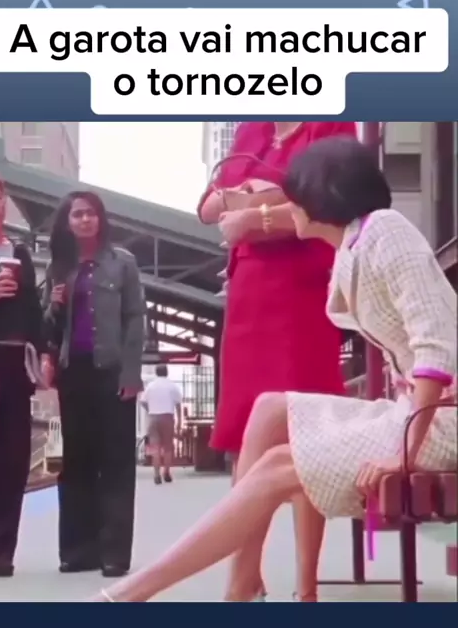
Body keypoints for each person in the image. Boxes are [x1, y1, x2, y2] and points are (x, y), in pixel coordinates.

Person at [93, 136, 456, 603]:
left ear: (325, 195)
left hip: (441, 423)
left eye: (295, 193)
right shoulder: (353, 248)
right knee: (268, 408)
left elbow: (436, 348)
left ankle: (129, 598)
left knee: (280, 465)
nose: (289, 203)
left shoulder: (387, 231)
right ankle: (241, 581)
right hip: (417, 411)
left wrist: (402, 454)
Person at [198, 120, 357, 601]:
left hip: (302, 291)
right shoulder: (251, 132)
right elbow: (208, 207)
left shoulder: (329, 125)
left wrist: (253, 214)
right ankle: (245, 574)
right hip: (249, 292)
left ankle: (306, 585)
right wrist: (251, 198)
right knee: (247, 433)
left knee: (304, 429)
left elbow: (333, 204)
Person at [42, 190, 145, 578]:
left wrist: (131, 374)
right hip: (73, 375)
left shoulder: (123, 263)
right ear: (67, 222)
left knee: (116, 463)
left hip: (112, 372)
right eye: (77, 215)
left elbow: (135, 319)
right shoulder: (59, 268)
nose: (84, 220)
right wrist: (54, 304)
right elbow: (47, 330)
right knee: (74, 463)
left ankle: (114, 554)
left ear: (100, 219)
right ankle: (77, 551)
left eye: (91, 213)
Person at [0, 170, 45, 577]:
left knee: (11, 461)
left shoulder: (20, 254)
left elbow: (33, 311)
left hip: (15, 368)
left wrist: (43, 356)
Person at [140, 364, 182, 485]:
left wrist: (150, 409)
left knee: (155, 447)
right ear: (167, 372)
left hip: (153, 417)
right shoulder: (172, 386)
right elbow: (178, 404)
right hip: (167, 417)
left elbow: (143, 401)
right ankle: (166, 472)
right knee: (168, 447)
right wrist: (179, 420)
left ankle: (156, 474)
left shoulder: (151, 386)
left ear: (156, 373)